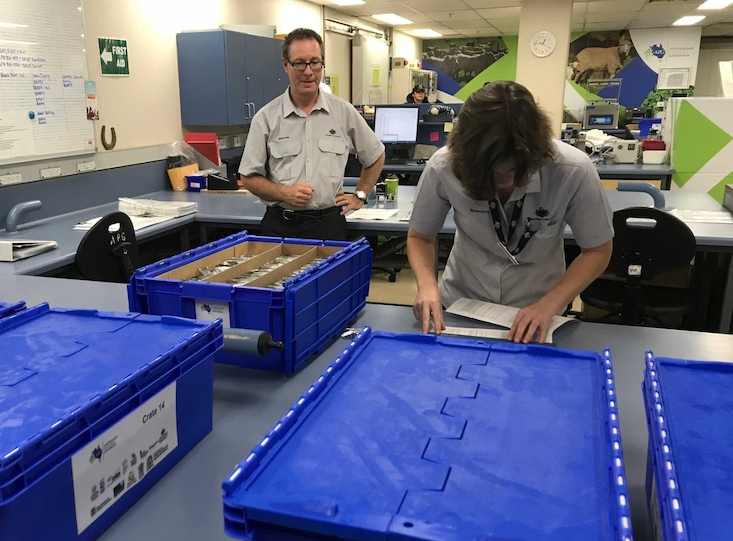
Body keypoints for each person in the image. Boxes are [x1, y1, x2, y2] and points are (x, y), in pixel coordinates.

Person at [407, 80, 613, 343]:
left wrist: (548, 305)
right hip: (462, 304)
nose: (501, 183)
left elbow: (597, 251)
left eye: (511, 171)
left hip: (538, 309)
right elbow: (420, 237)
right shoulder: (443, 165)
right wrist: (427, 286)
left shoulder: (573, 170)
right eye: (490, 173)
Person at [239, 28, 385, 240]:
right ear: (285, 65)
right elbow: (249, 178)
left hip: (329, 225)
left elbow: (376, 154)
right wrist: (284, 193)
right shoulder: (266, 118)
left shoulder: (343, 112)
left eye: (315, 62)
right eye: (299, 63)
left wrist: (360, 195)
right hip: (280, 225)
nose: (308, 71)